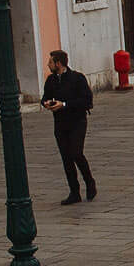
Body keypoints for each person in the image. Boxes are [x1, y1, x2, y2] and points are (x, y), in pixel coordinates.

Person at [40, 49, 95, 204]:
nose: (48, 65)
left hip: (77, 122)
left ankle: (89, 182)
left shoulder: (77, 78)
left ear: (58, 63)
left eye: (50, 62)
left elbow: (87, 101)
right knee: (66, 157)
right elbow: (45, 97)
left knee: (76, 153)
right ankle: (74, 192)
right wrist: (46, 103)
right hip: (60, 124)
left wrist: (64, 104)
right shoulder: (51, 80)